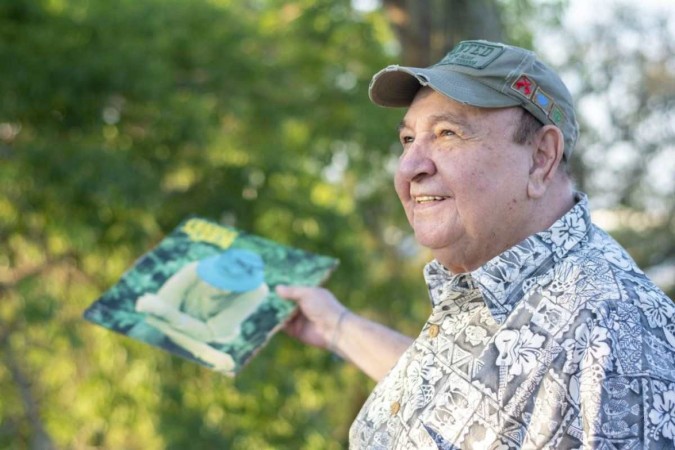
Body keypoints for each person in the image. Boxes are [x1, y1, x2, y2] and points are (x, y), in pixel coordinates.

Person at [276, 40, 675, 449]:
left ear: (541, 158)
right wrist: (333, 324)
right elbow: (466, 402)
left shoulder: (613, 338)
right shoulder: (498, 281)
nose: (410, 166)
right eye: (409, 139)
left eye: (447, 133)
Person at [136, 248, 269, 371]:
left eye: (235, 284)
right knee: (146, 331)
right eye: (220, 279)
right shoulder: (194, 269)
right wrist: (205, 353)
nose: (223, 287)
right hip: (180, 332)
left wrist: (166, 313)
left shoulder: (257, 292)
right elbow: (158, 318)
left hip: (214, 342)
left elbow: (209, 333)